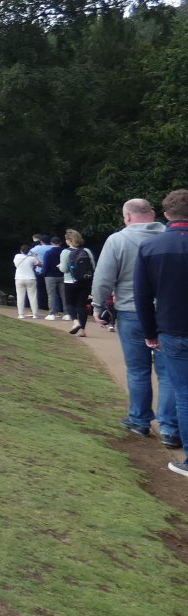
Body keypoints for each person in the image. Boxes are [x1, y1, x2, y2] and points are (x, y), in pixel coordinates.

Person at [93, 197, 175, 445]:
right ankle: (170, 428)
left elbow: (104, 277)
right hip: (167, 313)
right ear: (152, 213)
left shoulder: (118, 240)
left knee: (138, 369)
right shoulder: (168, 236)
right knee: (168, 372)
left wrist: (98, 306)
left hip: (131, 311)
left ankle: (139, 420)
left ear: (127, 216)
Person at [136, 189, 188, 471]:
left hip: (173, 329)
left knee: (184, 393)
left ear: (166, 214)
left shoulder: (150, 248)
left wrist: (150, 333)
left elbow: (143, 297)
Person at [59, 228, 96, 335]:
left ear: (69, 240)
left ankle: (75, 322)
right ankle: (82, 330)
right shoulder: (87, 251)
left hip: (70, 281)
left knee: (69, 304)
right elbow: (93, 266)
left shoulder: (65, 252)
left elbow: (64, 269)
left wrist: (59, 266)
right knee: (81, 305)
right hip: (85, 281)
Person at [13, 244, 40, 319]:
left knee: (20, 297)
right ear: (28, 251)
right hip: (31, 278)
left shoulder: (16, 256)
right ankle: (35, 314)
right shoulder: (31, 258)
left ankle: (21, 314)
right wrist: (35, 256)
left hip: (19, 278)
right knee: (33, 297)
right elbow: (40, 264)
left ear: (21, 250)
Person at [43, 235, 66, 320]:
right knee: (64, 295)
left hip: (50, 276)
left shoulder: (48, 253)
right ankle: (67, 313)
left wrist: (44, 274)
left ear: (51, 243)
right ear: (60, 243)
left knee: (51, 295)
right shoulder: (64, 251)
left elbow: (46, 265)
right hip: (62, 275)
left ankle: (52, 313)